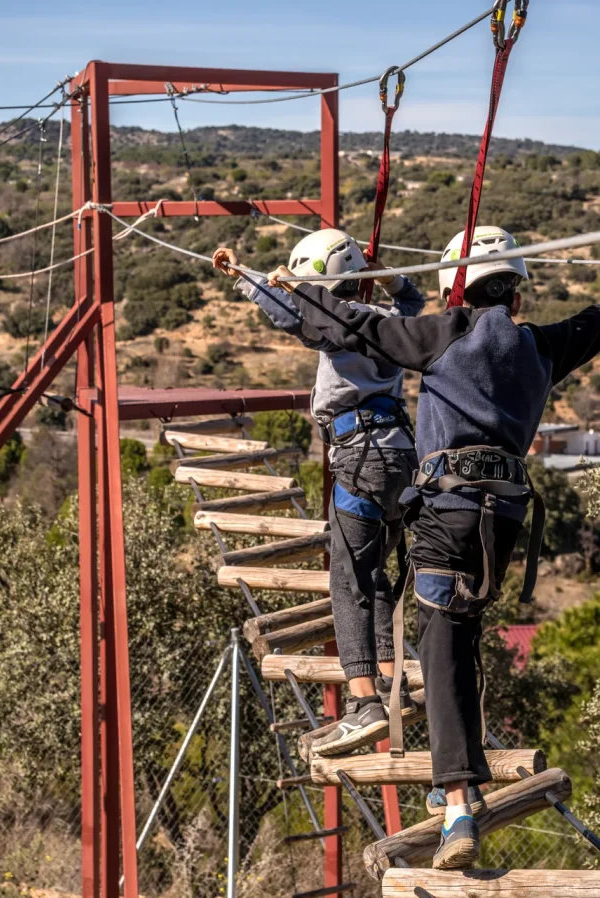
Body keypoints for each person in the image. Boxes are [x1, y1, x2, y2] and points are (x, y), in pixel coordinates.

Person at [271, 225, 600, 869]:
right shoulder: (540, 346)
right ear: (516, 290)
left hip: (448, 513)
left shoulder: (445, 335)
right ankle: (458, 776)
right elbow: (595, 322)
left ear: (459, 286)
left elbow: (352, 330)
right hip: (502, 519)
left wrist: (294, 290)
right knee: (461, 640)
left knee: (443, 649)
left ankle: (456, 807)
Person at [212, 228, 425, 755]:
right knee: (373, 572)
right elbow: (414, 298)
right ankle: (390, 679)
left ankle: (364, 703)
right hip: (402, 454)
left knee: (347, 577)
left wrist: (244, 275)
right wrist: (386, 274)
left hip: (360, 454)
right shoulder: (392, 323)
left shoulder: (335, 326)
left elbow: (287, 315)